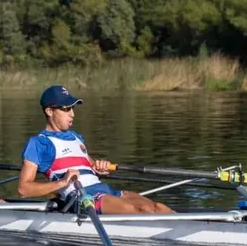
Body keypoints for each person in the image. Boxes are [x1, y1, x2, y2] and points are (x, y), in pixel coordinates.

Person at [17, 85, 174, 214]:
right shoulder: (39, 143)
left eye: (73, 108)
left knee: (158, 208)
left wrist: (99, 168)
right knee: (141, 209)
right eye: (66, 109)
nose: (72, 114)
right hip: (82, 197)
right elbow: (24, 189)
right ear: (49, 111)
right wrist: (63, 182)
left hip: (104, 190)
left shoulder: (76, 137)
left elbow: (90, 167)